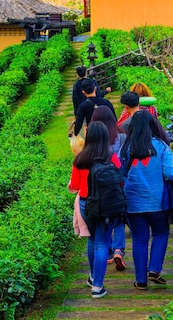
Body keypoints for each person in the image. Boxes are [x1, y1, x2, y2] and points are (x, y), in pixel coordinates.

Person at [120, 110, 173, 290]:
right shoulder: (161, 146)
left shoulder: (127, 148)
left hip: (133, 202)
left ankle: (141, 280)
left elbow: (121, 174)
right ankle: (154, 268)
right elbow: (169, 173)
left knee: (139, 239)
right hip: (158, 201)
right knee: (160, 233)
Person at [68, 121, 122, 299]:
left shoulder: (80, 159)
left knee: (92, 240)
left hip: (86, 204)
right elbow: (119, 179)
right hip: (106, 204)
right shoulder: (111, 157)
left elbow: (74, 185)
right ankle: (97, 286)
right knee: (102, 243)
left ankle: (93, 277)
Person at [91, 106, 127, 270]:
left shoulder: (93, 139)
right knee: (119, 215)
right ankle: (119, 249)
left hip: (100, 182)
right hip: (118, 179)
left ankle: (109, 249)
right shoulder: (121, 135)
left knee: (105, 215)